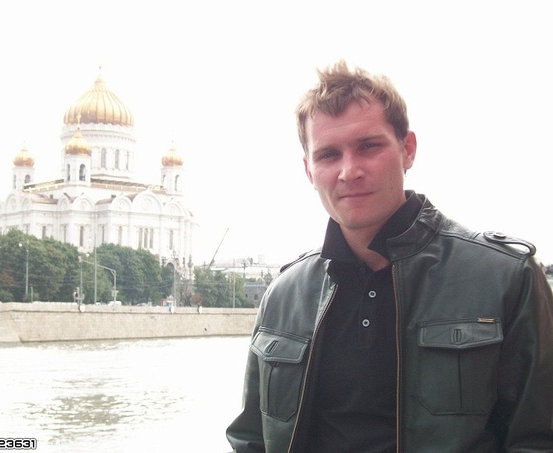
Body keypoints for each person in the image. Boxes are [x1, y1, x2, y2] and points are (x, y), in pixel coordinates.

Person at [226, 61, 553, 452]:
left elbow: (538, 440)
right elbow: (251, 439)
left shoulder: (506, 278)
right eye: (328, 155)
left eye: (368, 146)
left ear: (407, 149)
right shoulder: (284, 295)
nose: (349, 171)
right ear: (309, 171)